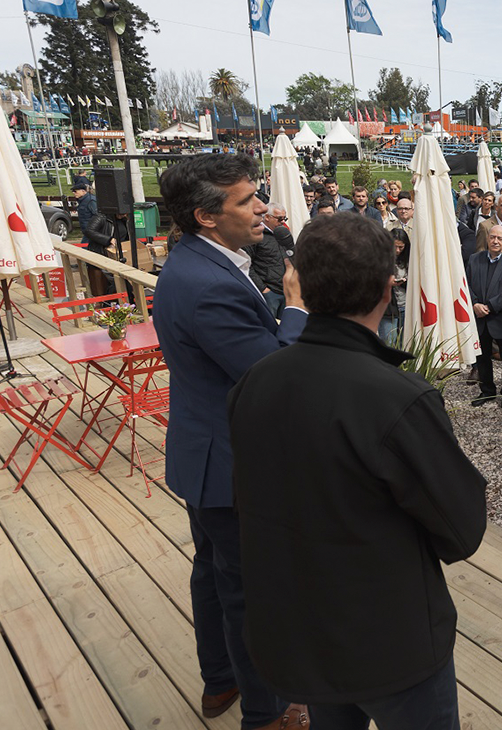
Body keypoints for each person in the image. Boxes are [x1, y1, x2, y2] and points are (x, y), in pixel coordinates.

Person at [228, 213, 488, 729]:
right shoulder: (396, 399)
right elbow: (462, 531)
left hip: (300, 635)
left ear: (298, 284)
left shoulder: (255, 381)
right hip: (390, 644)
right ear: (387, 290)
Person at [153, 154, 309, 730]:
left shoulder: (196, 260)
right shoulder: (206, 284)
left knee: (214, 575)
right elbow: (270, 373)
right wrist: (294, 306)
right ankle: (267, 713)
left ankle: (219, 683)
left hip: (205, 452)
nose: (261, 206)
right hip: (229, 466)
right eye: (247, 200)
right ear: (207, 216)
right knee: (249, 591)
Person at [468, 225, 502, 408]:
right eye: (493, 237)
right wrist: (474, 304)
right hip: (479, 318)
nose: (496, 241)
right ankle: (487, 390)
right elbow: (466, 285)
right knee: (482, 357)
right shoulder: (474, 259)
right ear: (487, 238)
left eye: (500, 238)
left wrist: (489, 306)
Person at [378, 229, 409, 344]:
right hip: (388, 307)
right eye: (394, 247)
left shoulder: (408, 259)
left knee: (404, 343)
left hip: (405, 305)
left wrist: (405, 282)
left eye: (401, 247)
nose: (397, 251)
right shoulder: (380, 258)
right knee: (388, 343)